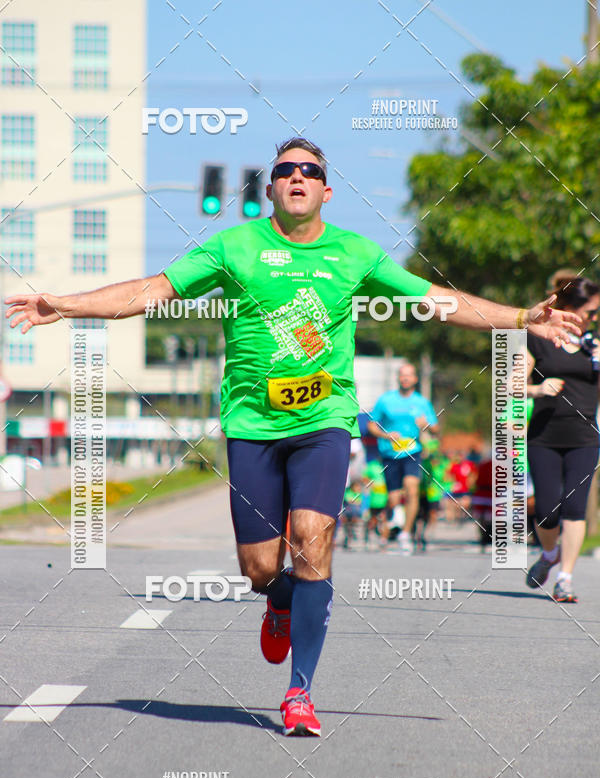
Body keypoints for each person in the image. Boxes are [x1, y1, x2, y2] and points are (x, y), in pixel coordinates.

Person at [5, 137, 581, 736]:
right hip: (251, 426)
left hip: (324, 421)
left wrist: (521, 317)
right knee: (259, 568)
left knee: (311, 539)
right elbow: (150, 291)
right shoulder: (235, 247)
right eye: (285, 170)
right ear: (271, 188)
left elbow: (436, 301)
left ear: (326, 190)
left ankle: (300, 692)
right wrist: (64, 305)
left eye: (310, 171)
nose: (298, 177)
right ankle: (280, 599)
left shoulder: (354, 253)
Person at [525, 276, 599, 602]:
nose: (596, 318)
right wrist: (538, 389)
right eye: (592, 312)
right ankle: (549, 553)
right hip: (544, 434)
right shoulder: (539, 339)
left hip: (585, 436)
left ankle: (565, 578)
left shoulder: (595, 344)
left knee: (574, 506)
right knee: (546, 511)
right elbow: (511, 384)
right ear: (570, 309)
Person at [367, 363, 439, 554]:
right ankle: (388, 525)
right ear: (398, 378)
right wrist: (385, 435)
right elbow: (372, 425)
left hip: (412, 452)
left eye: (409, 375)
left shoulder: (422, 402)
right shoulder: (386, 400)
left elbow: (436, 428)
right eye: (402, 375)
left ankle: (405, 533)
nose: (405, 378)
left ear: (415, 379)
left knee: (412, 489)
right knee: (393, 498)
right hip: (390, 453)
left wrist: (426, 425)